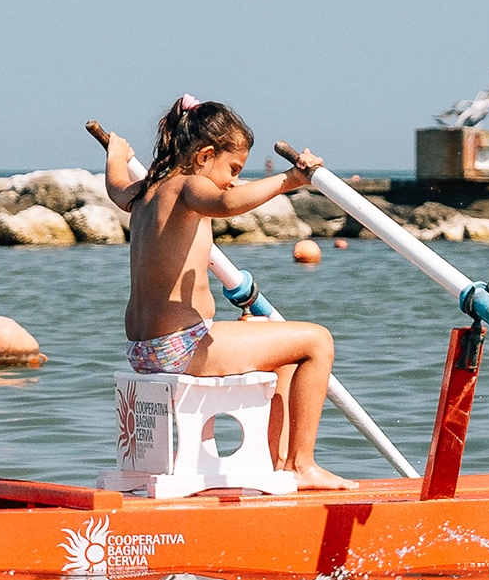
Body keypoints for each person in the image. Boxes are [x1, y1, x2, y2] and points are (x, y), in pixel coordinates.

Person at [103, 94, 356, 490]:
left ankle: (280, 467)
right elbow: (227, 202)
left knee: (286, 353)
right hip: (182, 348)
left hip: (142, 348)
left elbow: (115, 186)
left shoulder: (144, 192)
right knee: (318, 342)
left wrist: (115, 154)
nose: (235, 178)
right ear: (204, 155)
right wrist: (292, 179)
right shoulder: (189, 187)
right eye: (234, 167)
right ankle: (302, 465)